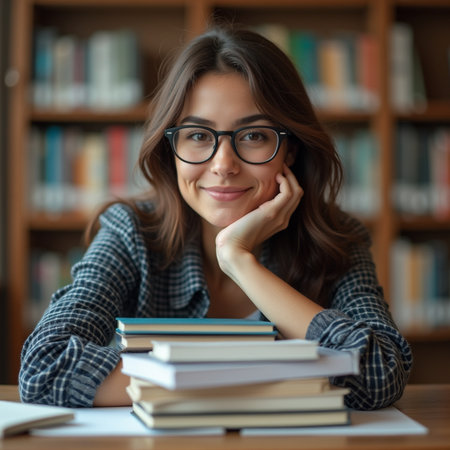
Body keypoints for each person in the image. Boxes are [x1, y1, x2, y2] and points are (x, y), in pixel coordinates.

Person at [19, 25, 412, 409]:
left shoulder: (337, 237)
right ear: (170, 149)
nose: (223, 165)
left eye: (255, 136)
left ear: (290, 150)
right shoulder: (132, 232)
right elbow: (43, 367)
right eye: (198, 135)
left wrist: (239, 260)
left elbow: (380, 372)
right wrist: (255, 376)